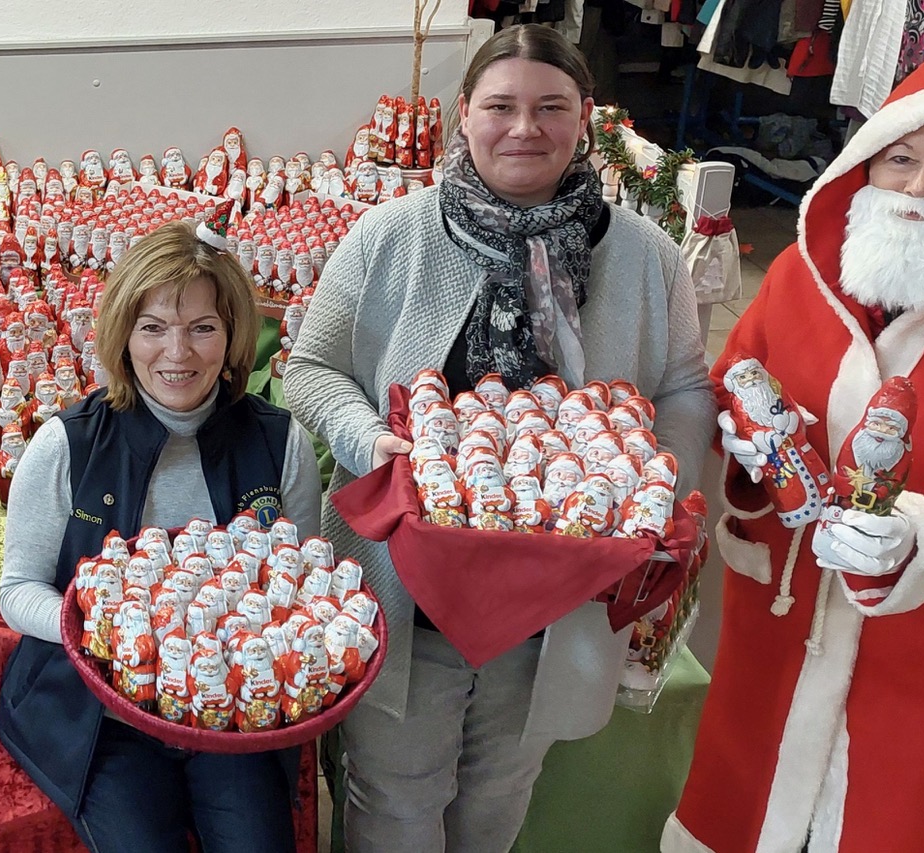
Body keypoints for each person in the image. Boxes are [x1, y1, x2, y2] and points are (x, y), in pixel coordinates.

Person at [283, 23, 714, 853]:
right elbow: (311, 367)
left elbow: (686, 386)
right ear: (463, 113)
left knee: (497, 795)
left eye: (551, 107)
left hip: (560, 595)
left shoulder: (643, 256)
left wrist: (653, 483)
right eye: (502, 106)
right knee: (393, 798)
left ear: (586, 116)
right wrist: (366, 434)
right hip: (407, 589)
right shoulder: (391, 236)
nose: (526, 128)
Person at [663, 13, 924, 853]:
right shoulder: (804, 276)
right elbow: (738, 384)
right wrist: (749, 459)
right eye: (901, 161)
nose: (919, 190)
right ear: (865, 165)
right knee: (743, 796)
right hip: (777, 621)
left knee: (885, 818)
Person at [0, 220, 322, 853]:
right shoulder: (69, 444)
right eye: (153, 328)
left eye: (203, 328)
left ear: (233, 338)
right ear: (123, 336)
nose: (179, 354)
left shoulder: (281, 444)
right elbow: (17, 590)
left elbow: (301, 589)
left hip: (229, 704)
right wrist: (112, 632)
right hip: (100, 706)